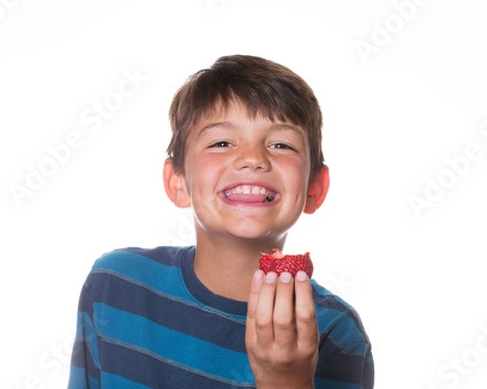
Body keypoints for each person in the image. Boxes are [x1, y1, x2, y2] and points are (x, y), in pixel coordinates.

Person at [68, 55, 374, 388]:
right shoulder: (115, 285)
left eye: (281, 144)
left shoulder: (335, 332)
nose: (253, 159)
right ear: (178, 181)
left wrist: (286, 379)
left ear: (314, 188)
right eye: (222, 143)